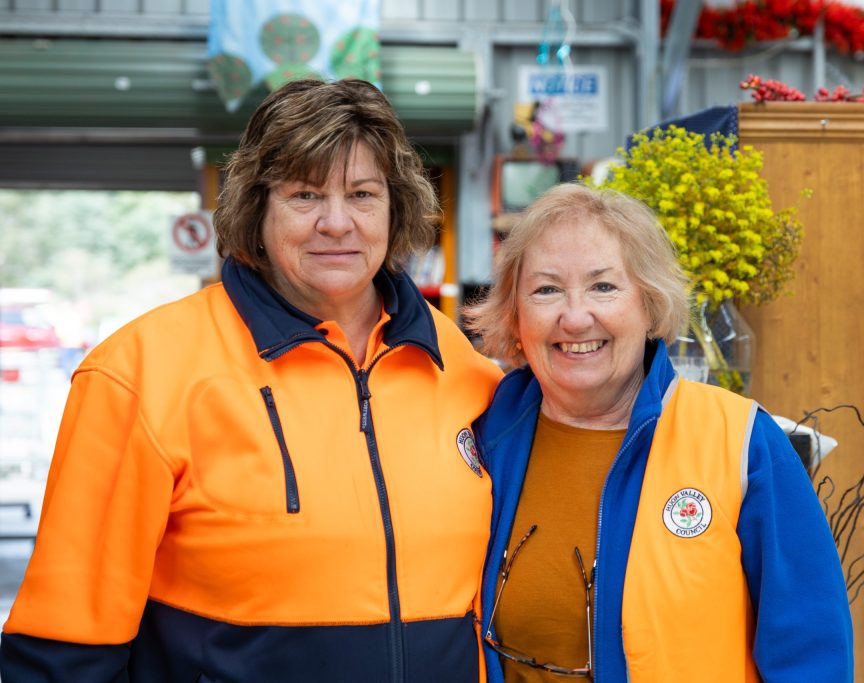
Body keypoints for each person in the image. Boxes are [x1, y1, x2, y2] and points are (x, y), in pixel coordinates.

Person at [0, 78, 503, 682]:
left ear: (395, 209)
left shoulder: (458, 366)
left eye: (363, 194)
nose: (337, 223)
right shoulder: (140, 372)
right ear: (256, 209)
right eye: (305, 195)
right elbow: (63, 647)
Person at [464, 183, 853, 682]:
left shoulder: (741, 443)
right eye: (547, 289)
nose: (576, 316)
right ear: (514, 315)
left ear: (649, 305)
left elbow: (811, 654)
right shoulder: (485, 436)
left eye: (604, 286)